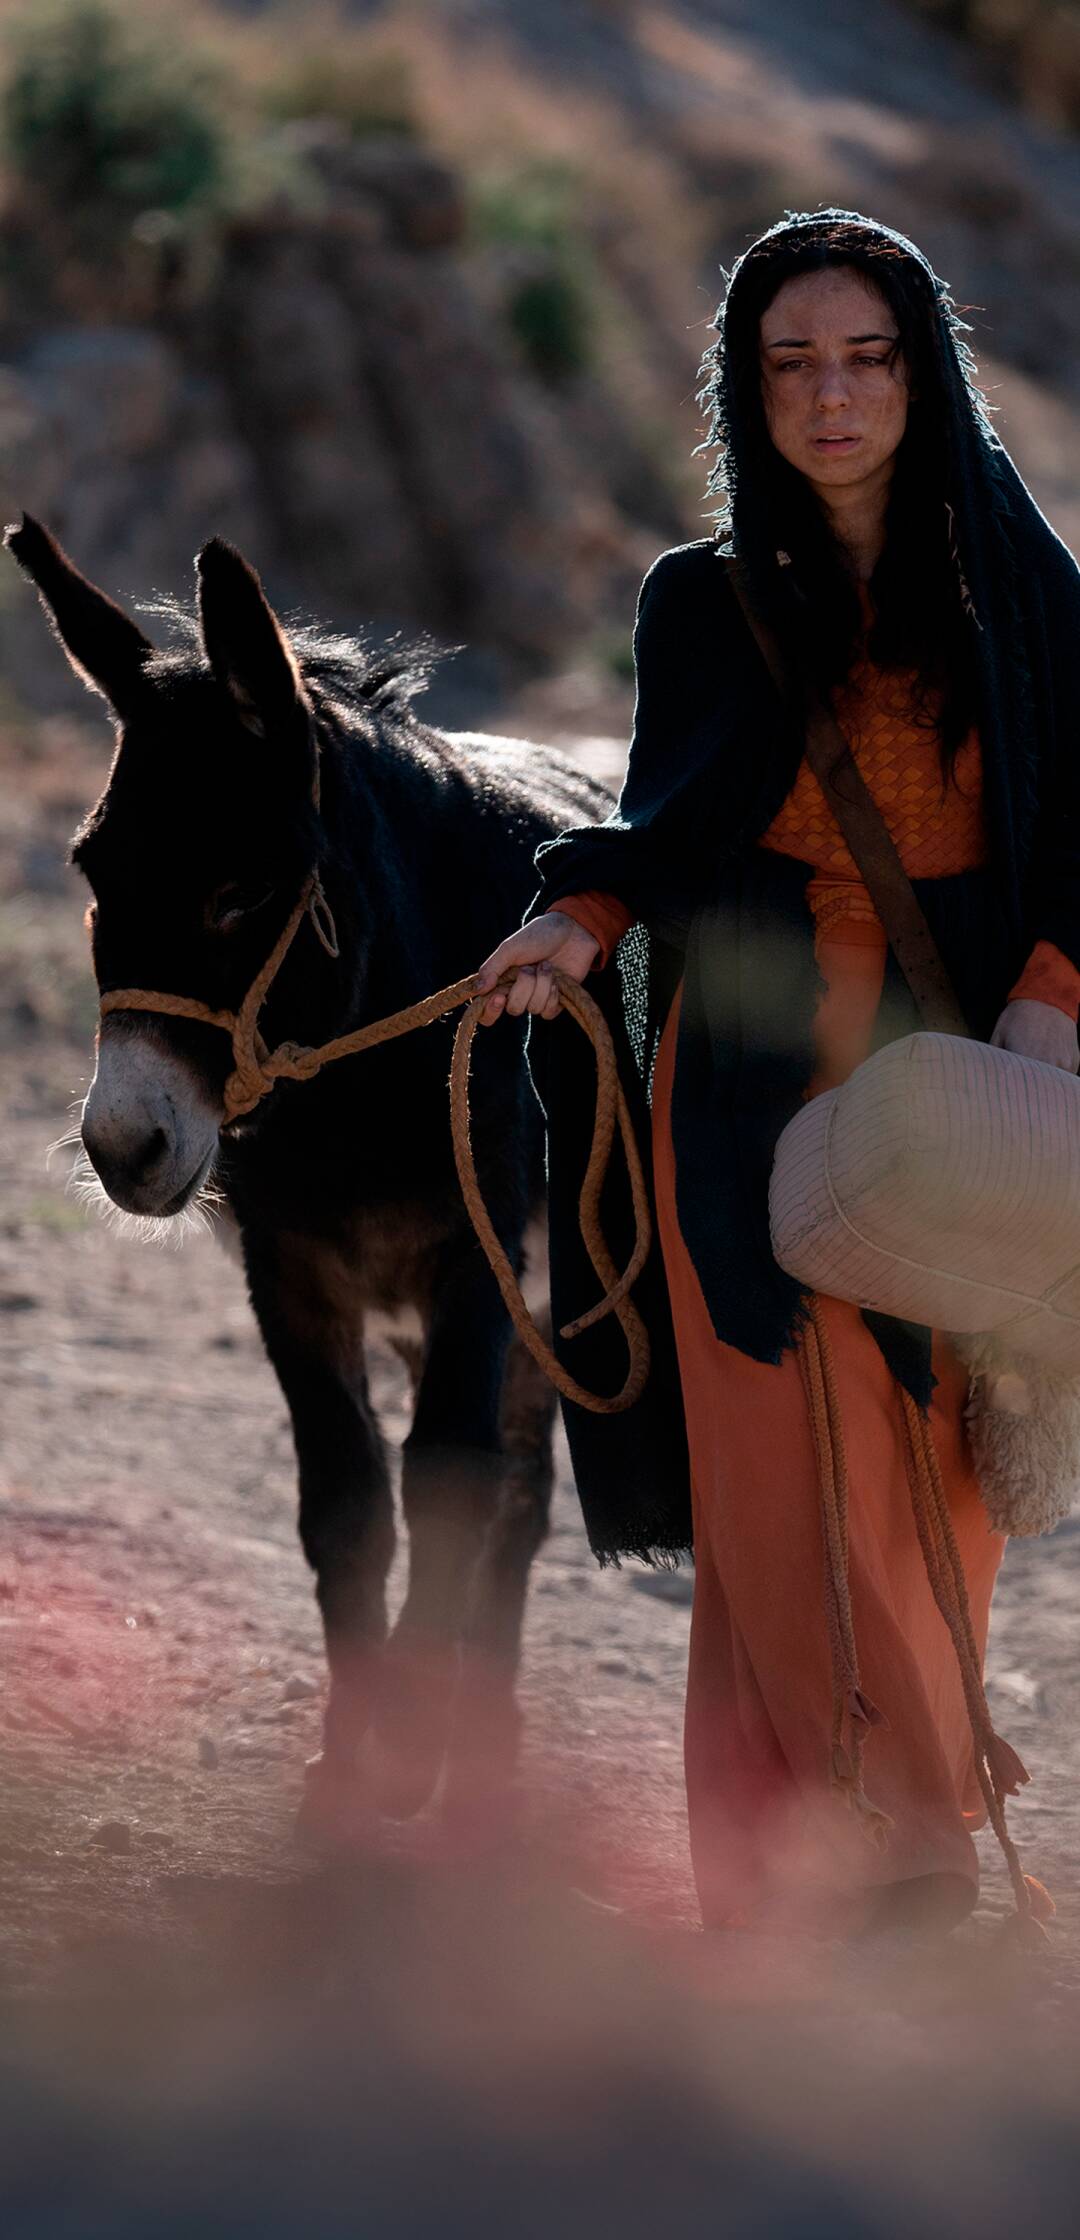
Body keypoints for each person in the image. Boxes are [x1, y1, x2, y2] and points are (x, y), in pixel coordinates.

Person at [473, 209, 1080, 1939]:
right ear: (749, 390)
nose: (831, 396)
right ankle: (860, 1838)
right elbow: (667, 819)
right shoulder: (704, 599)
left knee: (933, 1454)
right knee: (775, 1433)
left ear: (923, 371)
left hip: (964, 1050)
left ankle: (885, 1806)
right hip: (745, 1051)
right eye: (790, 363)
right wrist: (577, 921)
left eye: (865, 357)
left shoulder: (1029, 596)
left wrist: (1051, 996)